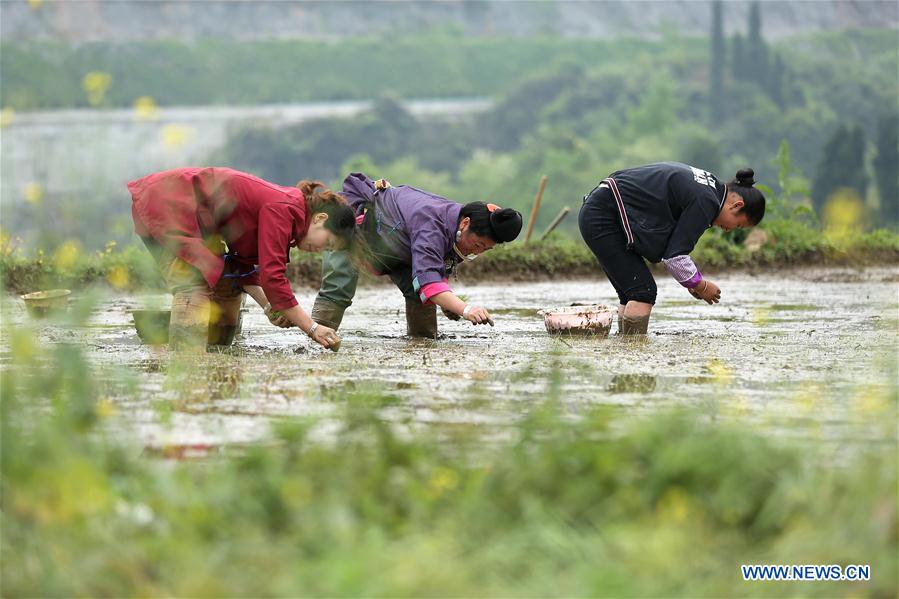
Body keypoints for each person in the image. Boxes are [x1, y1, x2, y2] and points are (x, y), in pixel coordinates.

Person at [128, 167, 355, 350]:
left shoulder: (288, 212)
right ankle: (186, 363)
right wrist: (313, 328)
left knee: (227, 283)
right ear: (320, 219)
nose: (320, 250)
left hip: (190, 218)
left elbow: (240, 266)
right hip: (168, 205)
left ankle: (217, 351)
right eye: (327, 242)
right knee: (193, 284)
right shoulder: (284, 209)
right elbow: (272, 277)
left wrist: (269, 306)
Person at [311, 172, 523, 338]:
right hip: (355, 232)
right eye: (478, 244)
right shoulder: (432, 223)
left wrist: (449, 303)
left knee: (421, 298)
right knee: (339, 287)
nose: (476, 252)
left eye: (485, 249)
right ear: (465, 223)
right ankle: (317, 342)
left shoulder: (456, 227)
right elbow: (428, 282)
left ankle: (422, 343)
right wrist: (465, 308)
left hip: (395, 249)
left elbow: (433, 269)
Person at [578, 163, 765, 335]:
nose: (730, 229)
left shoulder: (710, 188)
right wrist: (701, 285)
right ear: (737, 205)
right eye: (738, 225)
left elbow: (674, 249)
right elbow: (675, 257)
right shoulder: (707, 201)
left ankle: (625, 346)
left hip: (602, 208)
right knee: (643, 291)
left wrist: (692, 282)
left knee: (631, 292)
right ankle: (632, 354)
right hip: (604, 215)